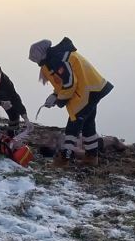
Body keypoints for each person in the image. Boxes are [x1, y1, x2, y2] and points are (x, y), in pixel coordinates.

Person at [28, 38, 113, 167]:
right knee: (88, 125)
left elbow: (70, 83)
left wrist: (59, 99)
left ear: (40, 55)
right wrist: (55, 95)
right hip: (93, 88)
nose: (36, 62)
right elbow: (61, 83)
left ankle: (64, 159)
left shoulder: (57, 60)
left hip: (88, 91)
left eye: (35, 58)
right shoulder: (53, 59)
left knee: (73, 127)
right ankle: (91, 157)